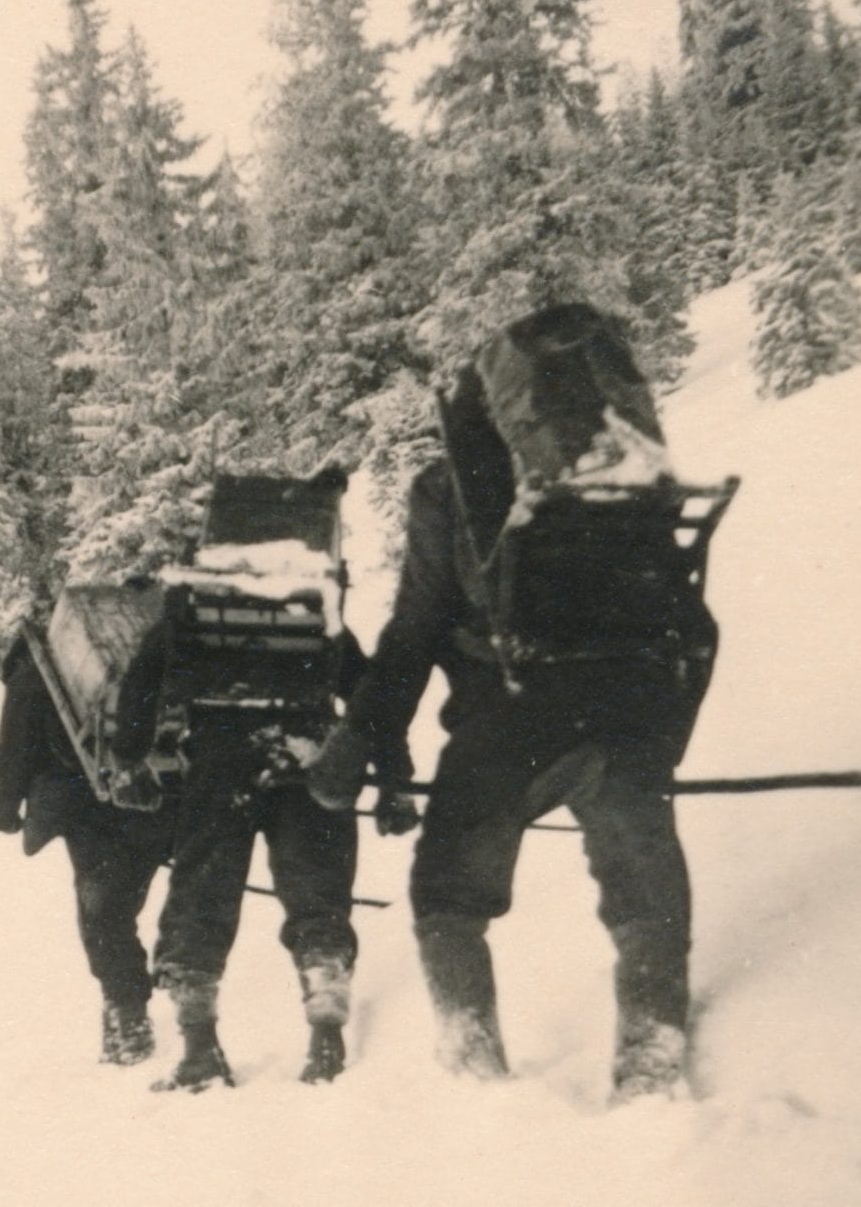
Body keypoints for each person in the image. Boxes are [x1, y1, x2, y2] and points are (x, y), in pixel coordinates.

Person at [306, 440, 716, 1101]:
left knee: (447, 889)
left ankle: (475, 1067)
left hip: (511, 723)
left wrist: (351, 750)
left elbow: (413, 635)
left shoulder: (450, 487)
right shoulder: (622, 478)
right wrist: (661, 748)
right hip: (632, 711)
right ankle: (652, 1051)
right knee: (646, 884)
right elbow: (697, 625)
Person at [113, 469, 367, 1091]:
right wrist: (382, 769)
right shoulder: (318, 607)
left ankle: (201, 1051)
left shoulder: (195, 608)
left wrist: (129, 760)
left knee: (200, 902)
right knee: (318, 898)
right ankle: (326, 1042)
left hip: (218, 766)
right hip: (305, 758)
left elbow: (141, 686)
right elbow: (366, 689)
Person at [0, 629, 172, 1064]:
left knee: (103, 913)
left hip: (88, 811)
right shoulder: (115, 652)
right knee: (131, 897)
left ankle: (127, 1016)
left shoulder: (30, 673)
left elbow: (12, 749)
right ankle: (158, 981)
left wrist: (4, 808)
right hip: (153, 795)